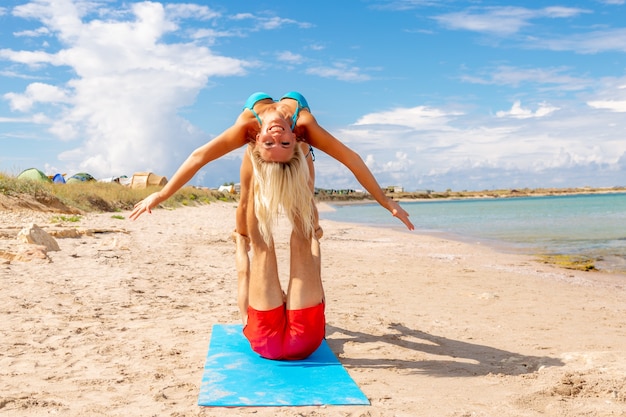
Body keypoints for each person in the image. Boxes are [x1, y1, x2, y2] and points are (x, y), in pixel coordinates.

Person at [130, 91, 414, 360]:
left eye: (274, 142)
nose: (277, 137)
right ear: (297, 138)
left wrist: (163, 194)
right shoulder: (302, 125)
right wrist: (385, 204)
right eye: (280, 143)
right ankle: (295, 206)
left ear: (256, 139)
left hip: (281, 341)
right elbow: (352, 159)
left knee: (267, 244)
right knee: (285, 240)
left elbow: (199, 156)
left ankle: (284, 203)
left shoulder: (248, 127)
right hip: (289, 342)